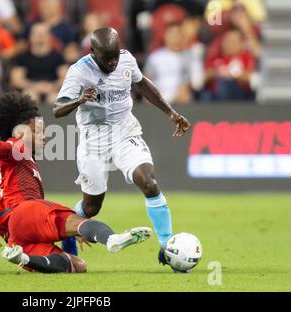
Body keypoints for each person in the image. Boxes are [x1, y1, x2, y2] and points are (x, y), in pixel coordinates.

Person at [53, 28, 191, 265]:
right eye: (108, 59)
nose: (113, 62)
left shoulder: (126, 59)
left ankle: (166, 247)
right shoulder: (78, 71)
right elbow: (58, 109)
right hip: (93, 140)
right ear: (93, 53)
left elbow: (142, 84)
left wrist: (171, 113)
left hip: (125, 132)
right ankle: (66, 236)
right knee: (91, 207)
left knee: (148, 181)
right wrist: (79, 100)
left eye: (115, 56)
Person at [0, 91, 152, 273]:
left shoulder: (20, 160)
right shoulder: (17, 146)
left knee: (77, 265)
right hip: (25, 211)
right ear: (20, 133)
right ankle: (111, 239)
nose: (44, 136)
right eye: (38, 131)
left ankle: (22, 257)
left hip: (16, 233)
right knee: (78, 222)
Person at [143, 22, 203, 104]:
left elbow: (197, 82)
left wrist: (187, 86)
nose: (175, 37)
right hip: (159, 100)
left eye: (178, 33)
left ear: (182, 36)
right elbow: (146, 80)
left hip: (182, 100)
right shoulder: (155, 57)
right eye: (171, 33)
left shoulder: (191, 57)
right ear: (165, 36)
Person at [10, 23, 67, 104]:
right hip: (30, 89)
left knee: (55, 98)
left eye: (43, 34)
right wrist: (35, 86)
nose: (40, 36)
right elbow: (16, 80)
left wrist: (52, 87)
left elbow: (65, 78)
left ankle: (50, 117)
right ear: (30, 37)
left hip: (52, 90)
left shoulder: (58, 57)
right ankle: (33, 117)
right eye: (37, 34)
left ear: (49, 37)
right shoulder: (23, 58)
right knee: (30, 96)